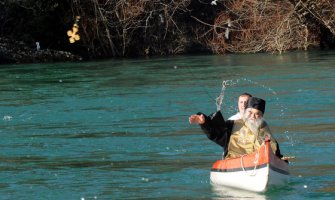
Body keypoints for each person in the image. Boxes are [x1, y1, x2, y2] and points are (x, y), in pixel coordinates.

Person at [189, 97, 283, 159]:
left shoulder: (265, 130)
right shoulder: (232, 124)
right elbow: (216, 134)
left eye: (257, 114)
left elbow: (275, 152)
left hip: (260, 164)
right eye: (250, 112)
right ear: (245, 112)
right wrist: (204, 122)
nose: (253, 116)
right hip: (234, 161)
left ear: (261, 116)